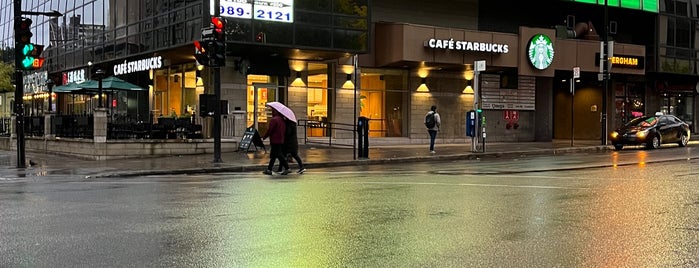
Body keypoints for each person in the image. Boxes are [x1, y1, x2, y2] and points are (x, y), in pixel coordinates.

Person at [261, 108, 290, 175]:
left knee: (279, 154)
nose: (271, 113)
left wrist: (264, 137)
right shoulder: (282, 120)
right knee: (273, 155)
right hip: (280, 139)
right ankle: (269, 169)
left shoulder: (274, 120)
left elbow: (270, 130)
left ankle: (287, 168)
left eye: (272, 111)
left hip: (275, 139)